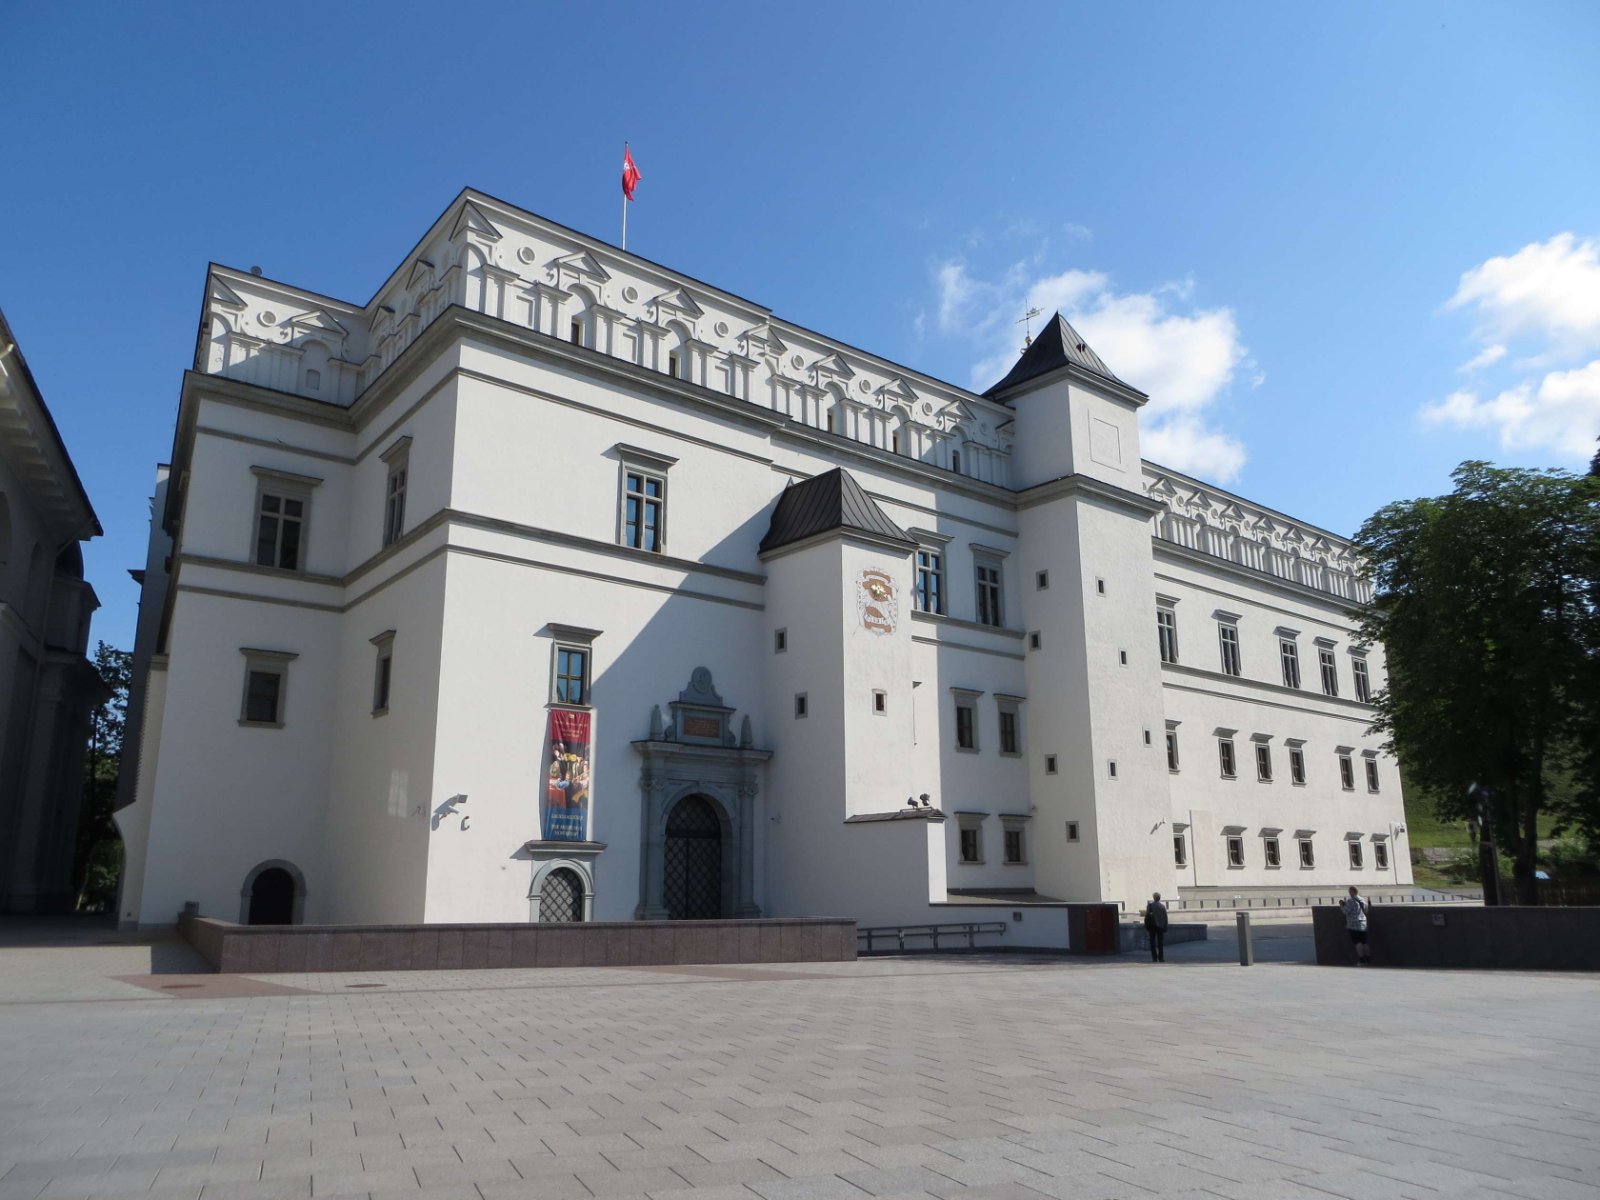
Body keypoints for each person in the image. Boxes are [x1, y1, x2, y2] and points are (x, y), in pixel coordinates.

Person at [1340, 885, 1372, 965]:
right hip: (1363, 923)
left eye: (1350, 892)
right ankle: (1368, 959)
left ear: (1352, 892)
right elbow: (1366, 910)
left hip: (1353, 924)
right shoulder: (1362, 900)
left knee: (1358, 942)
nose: (1349, 893)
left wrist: (1341, 905)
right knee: (1364, 942)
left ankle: (1361, 960)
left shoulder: (1351, 901)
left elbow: (1345, 911)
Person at [1142, 892, 1169, 962]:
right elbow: (1165, 918)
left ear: (1154, 898)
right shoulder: (1162, 907)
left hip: (1152, 926)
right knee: (1160, 943)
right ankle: (1161, 958)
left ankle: (1154, 958)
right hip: (1160, 926)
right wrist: (1165, 926)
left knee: (1152, 942)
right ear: (1159, 898)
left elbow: (1147, 916)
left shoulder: (1150, 906)